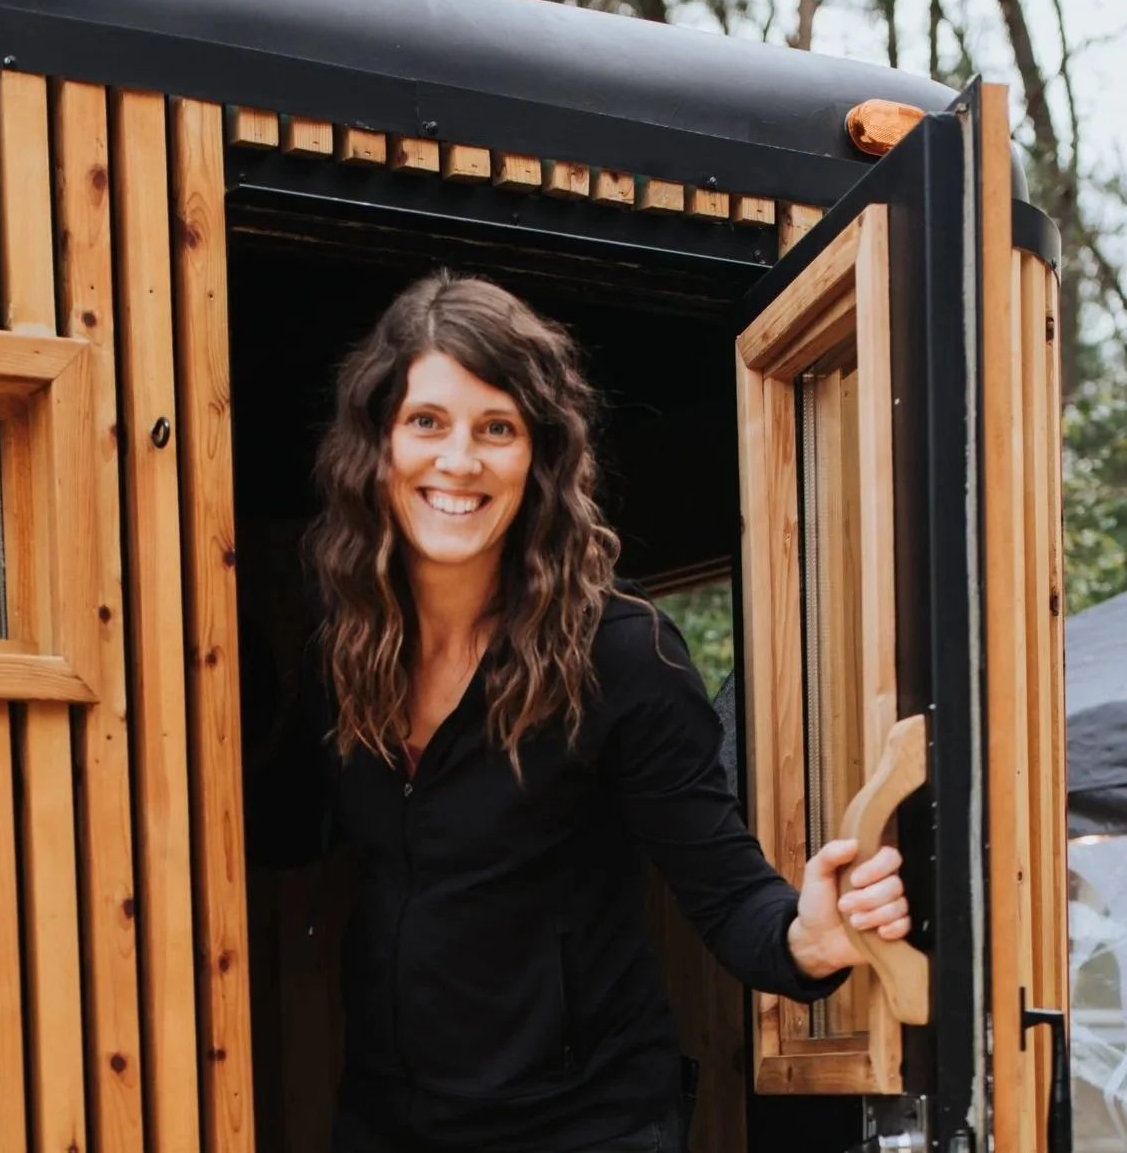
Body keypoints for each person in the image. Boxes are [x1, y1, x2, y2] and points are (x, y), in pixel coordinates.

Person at [248, 271, 912, 1153]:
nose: (458, 461)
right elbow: (276, 829)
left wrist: (808, 937)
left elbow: (727, 897)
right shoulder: (347, 648)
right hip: (387, 1117)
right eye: (426, 423)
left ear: (538, 458)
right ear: (375, 445)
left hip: (584, 1125)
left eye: (497, 429)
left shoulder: (620, 654)